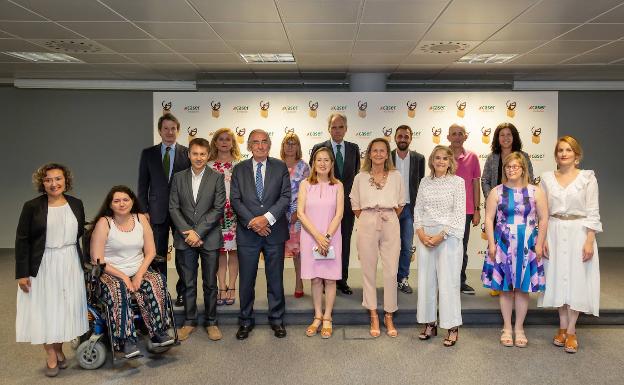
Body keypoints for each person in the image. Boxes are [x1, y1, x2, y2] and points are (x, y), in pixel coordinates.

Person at [15, 163, 88, 377]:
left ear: (66, 181)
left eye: (58, 179)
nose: (53, 183)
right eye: (48, 180)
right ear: (42, 183)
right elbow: (22, 240)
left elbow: (80, 233)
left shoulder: (76, 204)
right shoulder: (31, 207)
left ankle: (59, 349)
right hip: (43, 263)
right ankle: (51, 355)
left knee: (64, 309)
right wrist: (21, 273)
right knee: (45, 309)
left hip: (70, 264)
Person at [90, 185, 175, 358]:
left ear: (132, 201)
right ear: (110, 204)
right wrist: (124, 278)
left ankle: (158, 332)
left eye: (125, 200)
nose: (122, 204)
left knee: (156, 281)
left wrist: (139, 274)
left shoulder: (141, 219)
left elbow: (151, 251)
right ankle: (125, 340)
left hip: (138, 268)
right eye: (117, 201)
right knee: (118, 290)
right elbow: (97, 259)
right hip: (111, 272)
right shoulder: (104, 223)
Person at [538, 136, 601, 354]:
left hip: (579, 232)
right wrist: (543, 237)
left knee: (576, 280)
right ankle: (562, 327)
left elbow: (593, 211)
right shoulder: (546, 179)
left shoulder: (587, 178)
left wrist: (590, 240)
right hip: (554, 231)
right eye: (560, 150)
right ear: (556, 155)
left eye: (568, 150)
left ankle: (572, 331)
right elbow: (542, 212)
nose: (564, 154)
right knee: (557, 279)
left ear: (576, 154)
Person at [482, 152, 548, 348]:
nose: (511, 169)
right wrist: (492, 244)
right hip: (502, 243)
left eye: (515, 166)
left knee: (522, 288)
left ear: (523, 169)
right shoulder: (496, 192)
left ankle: (519, 328)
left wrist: (539, 243)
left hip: (527, 243)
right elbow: (488, 219)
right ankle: (507, 327)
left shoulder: (536, 192)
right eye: (508, 167)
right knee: (505, 289)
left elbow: (544, 218)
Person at [230, 129, 291, 340]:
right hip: (248, 233)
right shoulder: (239, 169)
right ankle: (245, 320)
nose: (260, 145)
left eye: (264, 141)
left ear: (269, 144)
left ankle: (277, 319)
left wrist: (266, 219)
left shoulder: (280, 166)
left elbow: (285, 197)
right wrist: (253, 222)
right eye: (255, 142)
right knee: (246, 280)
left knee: (275, 279)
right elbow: (235, 199)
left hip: (274, 231)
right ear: (249, 146)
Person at [169, 138, 226, 341]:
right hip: (185, 238)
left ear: (208, 155)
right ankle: (189, 321)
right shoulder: (178, 178)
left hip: (208, 238)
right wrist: (188, 232)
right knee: (188, 282)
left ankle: (211, 322)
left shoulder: (217, 177)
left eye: (203, 154)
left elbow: (218, 208)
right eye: (195, 153)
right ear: (189, 155)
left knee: (210, 283)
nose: (199, 158)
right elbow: (173, 207)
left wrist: (198, 233)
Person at [350, 138, 405, 338]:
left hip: (390, 221)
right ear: (369, 154)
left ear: (387, 154)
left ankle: (388, 314)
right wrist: (369, 219)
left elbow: (400, 203)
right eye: (375, 151)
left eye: (382, 150)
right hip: (367, 221)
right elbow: (355, 205)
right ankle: (373, 314)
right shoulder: (360, 177)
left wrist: (386, 216)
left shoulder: (396, 176)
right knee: (368, 271)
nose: (379, 154)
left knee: (391, 271)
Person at [138, 112, 191, 307]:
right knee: (157, 254)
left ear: (178, 131)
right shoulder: (148, 153)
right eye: (166, 128)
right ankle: (159, 292)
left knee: (183, 255)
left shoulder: (187, 153)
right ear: (160, 131)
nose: (170, 132)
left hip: (182, 213)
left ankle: (182, 293)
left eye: (173, 128)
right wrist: (143, 210)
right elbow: (142, 184)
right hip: (156, 212)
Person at [415, 146, 465, 347]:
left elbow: (459, 212)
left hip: (448, 238)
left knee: (448, 283)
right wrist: (420, 233)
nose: (441, 161)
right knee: (426, 282)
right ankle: (430, 323)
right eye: (437, 158)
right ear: (431, 160)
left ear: (450, 161)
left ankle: (452, 327)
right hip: (425, 236)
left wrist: (441, 236)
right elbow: (418, 208)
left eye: (445, 158)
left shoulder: (457, 182)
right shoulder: (424, 182)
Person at [481, 122, 534, 297]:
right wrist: (494, 199)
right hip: (499, 206)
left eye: (509, 135)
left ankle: (517, 280)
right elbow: (485, 180)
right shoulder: (492, 157)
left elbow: (530, 179)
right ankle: (500, 280)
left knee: (518, 246)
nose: (505, 138)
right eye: (502, 135)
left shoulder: (524, 156)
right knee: (498, 243)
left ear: (514, 137)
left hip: (519, 208)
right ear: (497, 138)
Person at [310, 113, 360, 295]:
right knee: (323, 240)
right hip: (322, 207)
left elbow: (356, 179)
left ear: (346, 129)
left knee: (343, 243)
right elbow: (312, 178)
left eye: (340, 127)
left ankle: (341, 280)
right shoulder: (319, 148)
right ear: (328, 129)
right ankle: (322, 279)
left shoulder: (354, 149)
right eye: (333, 127)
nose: (337, 130)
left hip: (345, 208)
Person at [298, 147, 344, 338]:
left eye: (326, 160)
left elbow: (339, 214)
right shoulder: (305, 185)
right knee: (316, 279)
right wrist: (317, 236)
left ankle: (327, 317)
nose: (323, 163)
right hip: (310, 237)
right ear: (313, 164)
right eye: (319, 160)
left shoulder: (338, 185)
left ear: (332, 164)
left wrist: (326, 237)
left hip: (331, 237)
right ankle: (317, 315)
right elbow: (300, 213)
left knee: (330, 279)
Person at [207, 128, 241, 307]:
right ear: (215, 142)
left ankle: (232, 288)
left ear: (233, 143)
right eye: (221, 139)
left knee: (234, 252)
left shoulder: (240, 165)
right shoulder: (209, 165)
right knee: (220, 253)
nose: (225, 142)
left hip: (236, 215)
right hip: (216, 215)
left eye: (228, 139)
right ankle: (221, 287)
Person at [391, 125, 425, 294]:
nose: (403, 139)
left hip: (409, 209)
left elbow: (420, 184)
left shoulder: (419, 159)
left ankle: (402, 278)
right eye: (400, 136)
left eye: (406, 136)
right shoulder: (387, 157)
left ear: (411, 138)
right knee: (389, 246)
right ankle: (390, 278)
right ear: (395, 138)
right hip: (390, 209)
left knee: (406, 245)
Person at [447, 123, 481, 295]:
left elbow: (476, 183)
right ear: (448, 137)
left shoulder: (473, 157)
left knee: (462, 247)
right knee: (444, 247)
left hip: (466, 211)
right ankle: (444, 281)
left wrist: (477, 209)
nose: (457, 136)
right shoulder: (442, 155)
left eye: (460, 133)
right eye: (454, 134)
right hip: (444, 210)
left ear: (465, 136)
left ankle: (460, 281)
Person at [281, 133, 311, 298]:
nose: (290, 146)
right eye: (287, 143)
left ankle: (299, 284)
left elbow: (307, 193)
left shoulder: (304, 167)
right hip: (277, 216)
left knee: (297, 252)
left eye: (294, 144)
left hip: (297, 216)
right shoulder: (276, 165)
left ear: (298, 147)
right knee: (276, 252)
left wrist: (297, 213)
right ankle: (277, 286)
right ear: (283, 146)